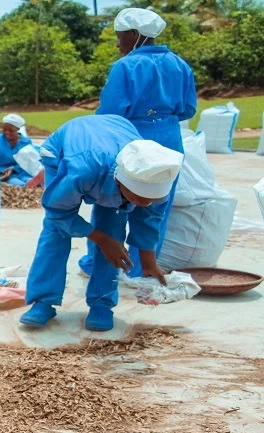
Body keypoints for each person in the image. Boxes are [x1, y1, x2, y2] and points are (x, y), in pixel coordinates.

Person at [19, 115, 182, 331]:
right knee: (56, 231)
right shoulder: (83, 169)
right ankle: (43, 300)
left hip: (113, 134)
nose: (146, 203)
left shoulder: (156, 177)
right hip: (68, 151)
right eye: (139, 198)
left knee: (113, 230)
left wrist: (148, 263)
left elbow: (149, 219)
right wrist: (102, 240)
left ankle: (102, 303)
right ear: (120, 182)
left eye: (152, 199)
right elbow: (58, 211)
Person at [79, 8, 197, 280]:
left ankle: (103, 265)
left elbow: (110, 113)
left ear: (134, 34)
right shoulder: (180, 64)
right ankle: (144, 267)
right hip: (169, 141)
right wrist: (161, 117)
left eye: (120, 37)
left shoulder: (126, 66)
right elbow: (188, 109)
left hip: (130, 140)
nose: (118, 43)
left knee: (114, 202)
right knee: (155, 203)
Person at [0, 113, 35, 186]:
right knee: (18, 184)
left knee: (31, 181)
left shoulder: (26, 143)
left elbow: (29, 161)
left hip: (22, 172)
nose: (7, 132)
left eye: (11, 130)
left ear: (17, 129)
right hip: (3, 173)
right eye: (4, 129)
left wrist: (14, 169)